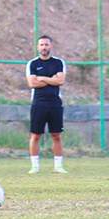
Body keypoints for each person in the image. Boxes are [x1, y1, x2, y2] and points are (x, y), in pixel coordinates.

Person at [25, 35, 67, 174]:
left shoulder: (58, 63)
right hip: (38, 103)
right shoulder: (32, 64)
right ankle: (35, 166)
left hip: (55, 103)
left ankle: (58, 166)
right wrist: (51, 79)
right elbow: (32, 83)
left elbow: (60, 81)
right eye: (42, 45)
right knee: (36, 135)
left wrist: (41, 78)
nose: (44, 47)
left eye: (46, 45)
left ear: (51, 46)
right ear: (38, 47)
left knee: (56, 135)